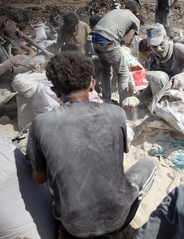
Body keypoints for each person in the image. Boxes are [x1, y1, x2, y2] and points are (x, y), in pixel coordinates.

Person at [26, 51, 157, 238]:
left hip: (75, 227)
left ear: (55, 91)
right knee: (148, 164)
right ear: (93, 83)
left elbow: (39, 179)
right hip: (118, 218)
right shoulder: (115, 113)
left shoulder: (40, 124)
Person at [122, 23, 184, 109]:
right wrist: (138, 99)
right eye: (154, 47)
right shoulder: (154, 61)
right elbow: (152, 86)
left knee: (158, 76)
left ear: (169, 39)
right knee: (153, 76)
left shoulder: (179, 50)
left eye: (161, 44)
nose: (158, 49)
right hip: (167, 99)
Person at [92, 0, 143, 104]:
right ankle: (124, 104)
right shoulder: (135, 19)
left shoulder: (114, 11)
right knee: (123, 73)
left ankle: (106, 99)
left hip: (94, 39)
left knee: (106, 70)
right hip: (108, 41)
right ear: (136, 11)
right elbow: (126, 40)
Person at [0, 4, 33, 118]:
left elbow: (10, 71)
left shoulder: (5, 42)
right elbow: (10, 65)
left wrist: (29, 66)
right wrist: (13, 60)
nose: (16, 30)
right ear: (5, 21)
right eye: (15, 26)